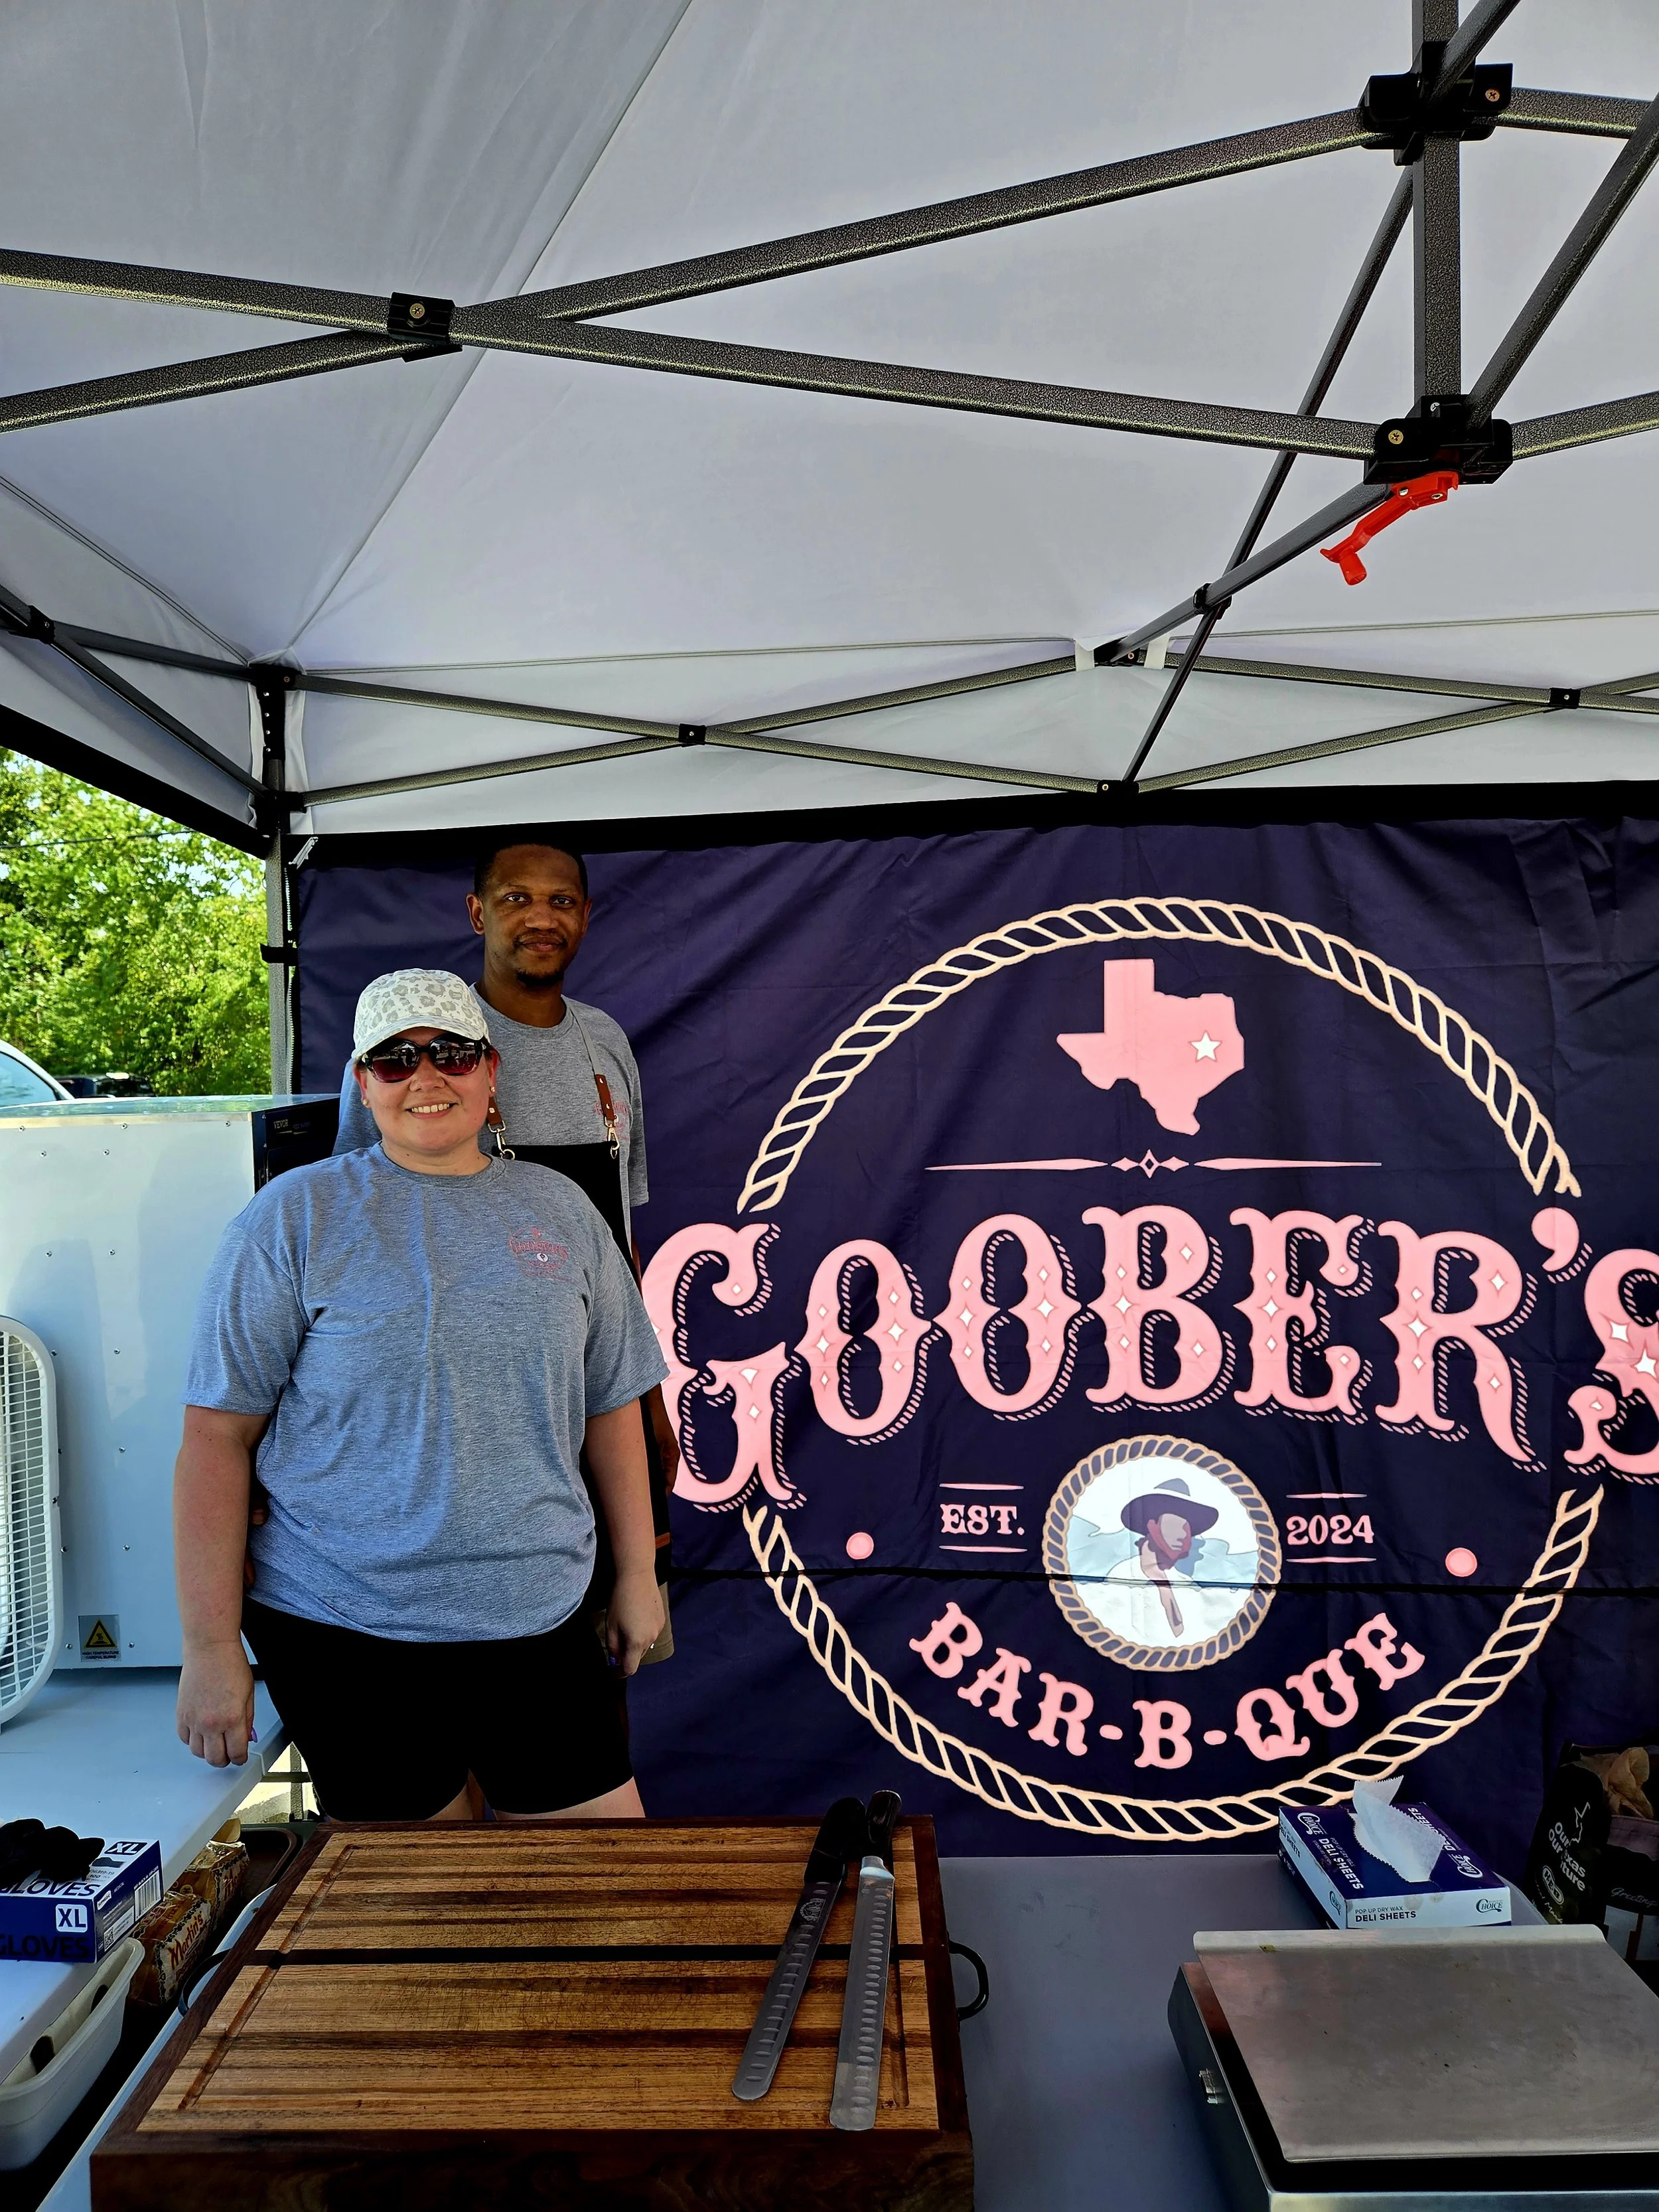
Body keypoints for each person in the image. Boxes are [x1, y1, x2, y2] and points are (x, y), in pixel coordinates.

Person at [175, 969, 668, 1820]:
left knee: (599, 1894)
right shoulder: (291, 1219)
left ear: (490, 1070)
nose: (426, 1077)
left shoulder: (566, 1211)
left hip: (540, 1612)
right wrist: (211, 1646)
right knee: (418, 1912)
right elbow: (216, 1440)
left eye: (451, 1052)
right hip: (344, 1623)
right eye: (395, 1060)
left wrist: (638, 1575)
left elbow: (611, 1408)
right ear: (363, 1084)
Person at [330, 833, 680, 1649]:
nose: (540, 918)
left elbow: (620, 1246)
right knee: (472, 1665)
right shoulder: (419, 1051)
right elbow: (358, 1238)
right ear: (477, 911)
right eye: (517, 898)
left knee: (612, 1646)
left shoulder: (607, 1045)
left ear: (586, 917)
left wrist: (648, 1404)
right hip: (471, 1415)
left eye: (560, 900)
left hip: (593, 1397)